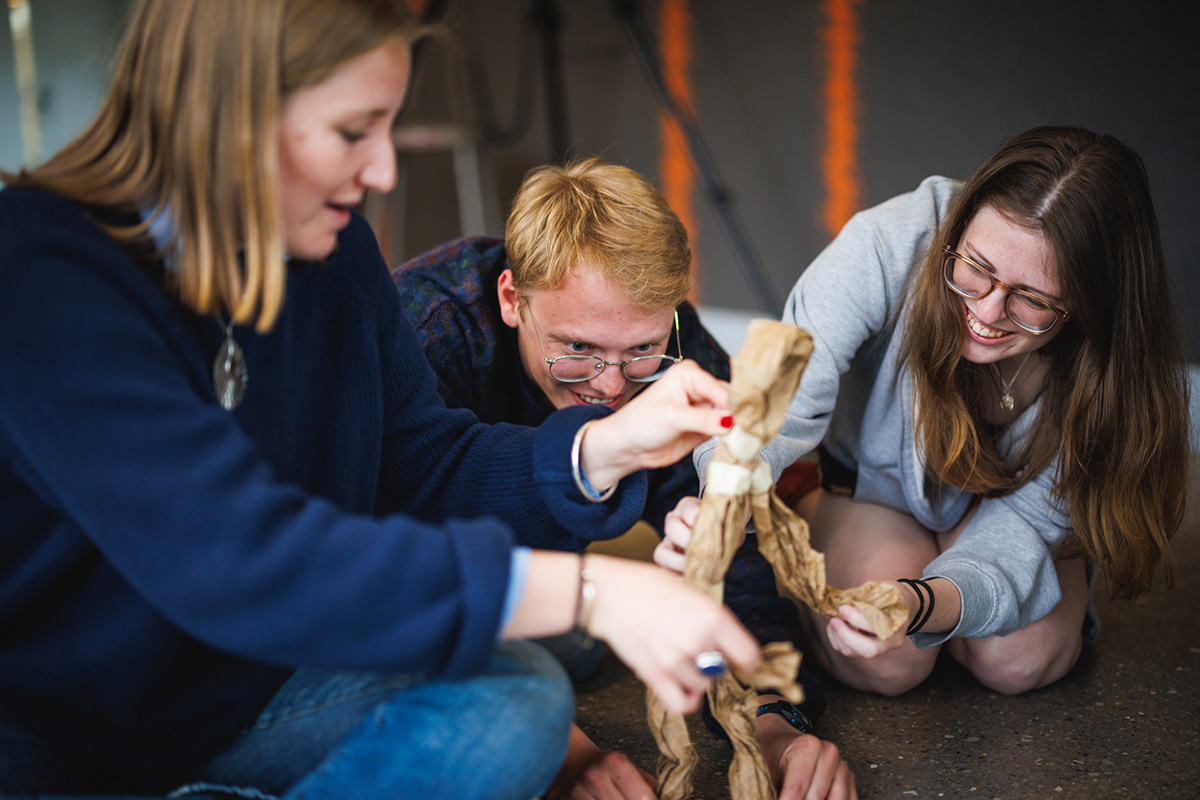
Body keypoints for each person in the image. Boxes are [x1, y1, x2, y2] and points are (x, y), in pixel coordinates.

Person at [0, 2, 763, 798]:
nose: (385, 171)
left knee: (522, 696)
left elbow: (422, 464)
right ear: (232, 114)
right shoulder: (42, 265)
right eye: (353, 131)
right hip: (54, 731)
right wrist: (595, 591)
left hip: (245, 691)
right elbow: (240, 556)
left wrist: (602, 450)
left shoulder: (335, 254)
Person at [674, 125, 1190, 703]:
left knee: (1019, 660)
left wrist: (921, 603)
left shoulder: (1107, 364)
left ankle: (937, 583)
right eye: (975, 266)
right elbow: (772, 400)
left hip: (1008, 518)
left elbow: (1020, 533)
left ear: (1087, 308)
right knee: (891, 665)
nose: (985, 312)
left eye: (1033, 300)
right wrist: (721, 499)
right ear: (961, 223)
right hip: (871, 496)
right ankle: (811, 514)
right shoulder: (883, 244)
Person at [395, 159, 855, 800]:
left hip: (561, 592)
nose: (611, 387)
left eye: (639, 351)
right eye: (576, 349)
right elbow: (385, 578)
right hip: (415, 593)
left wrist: (773, 719)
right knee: (554, 657)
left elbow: (732, 541)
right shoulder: (419, 336)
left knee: (578, 645)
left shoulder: (670, 345)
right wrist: (560, 749)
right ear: (510, 299)